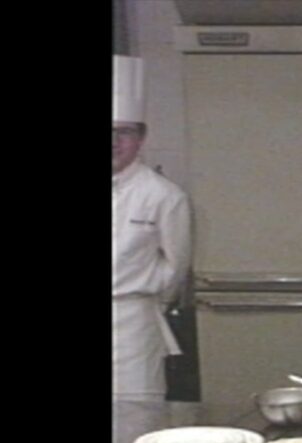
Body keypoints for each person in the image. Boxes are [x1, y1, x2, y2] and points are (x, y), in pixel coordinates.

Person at [113, 55, 192, 401]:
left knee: (136, 413)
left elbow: (175, 267)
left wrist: (146, 300)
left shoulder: (162, 195)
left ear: (141, 138)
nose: (114, 141)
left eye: (124, 132)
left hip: (132, 322)